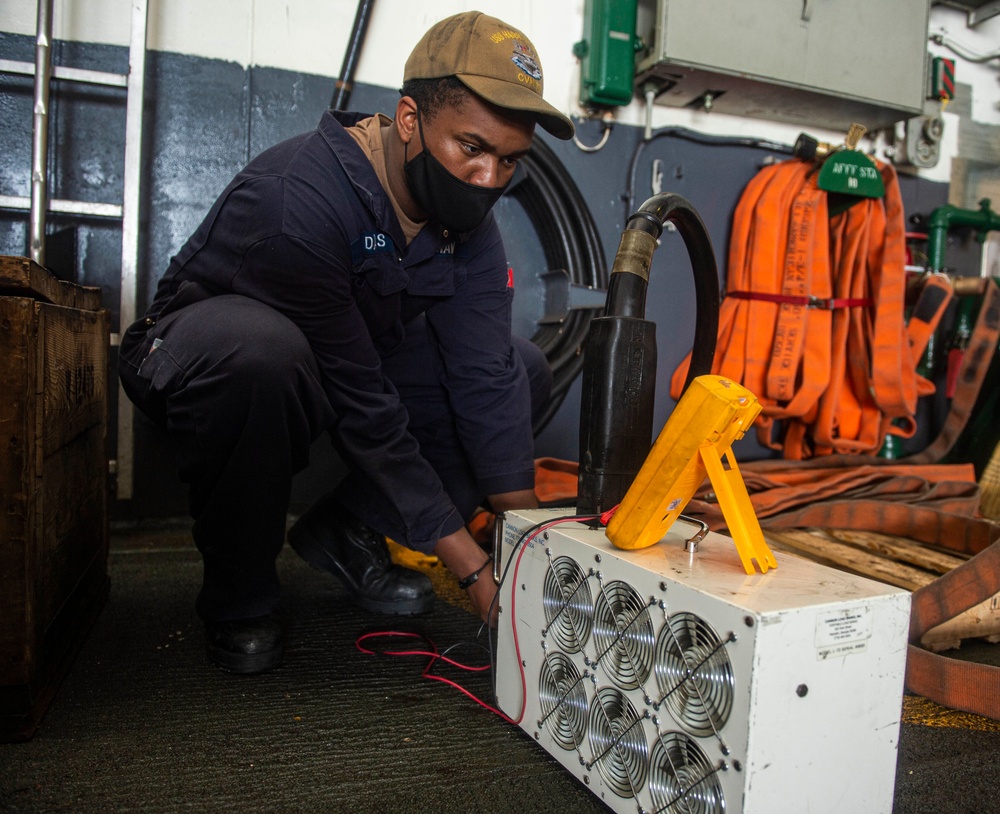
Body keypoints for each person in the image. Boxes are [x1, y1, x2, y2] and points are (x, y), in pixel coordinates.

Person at [117, 10, 575, 674]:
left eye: (509, 160)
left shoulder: (467, 223)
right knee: (261, 354)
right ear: (411, 121)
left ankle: (350, 530)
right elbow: (365, 406)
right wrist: (475, 571)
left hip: (336, 364)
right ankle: (239, 599)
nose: (488, 178)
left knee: (520, 369)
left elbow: (482, 376)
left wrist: (536, 556)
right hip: (202, 359)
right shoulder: (298, 199)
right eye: (471, 147)